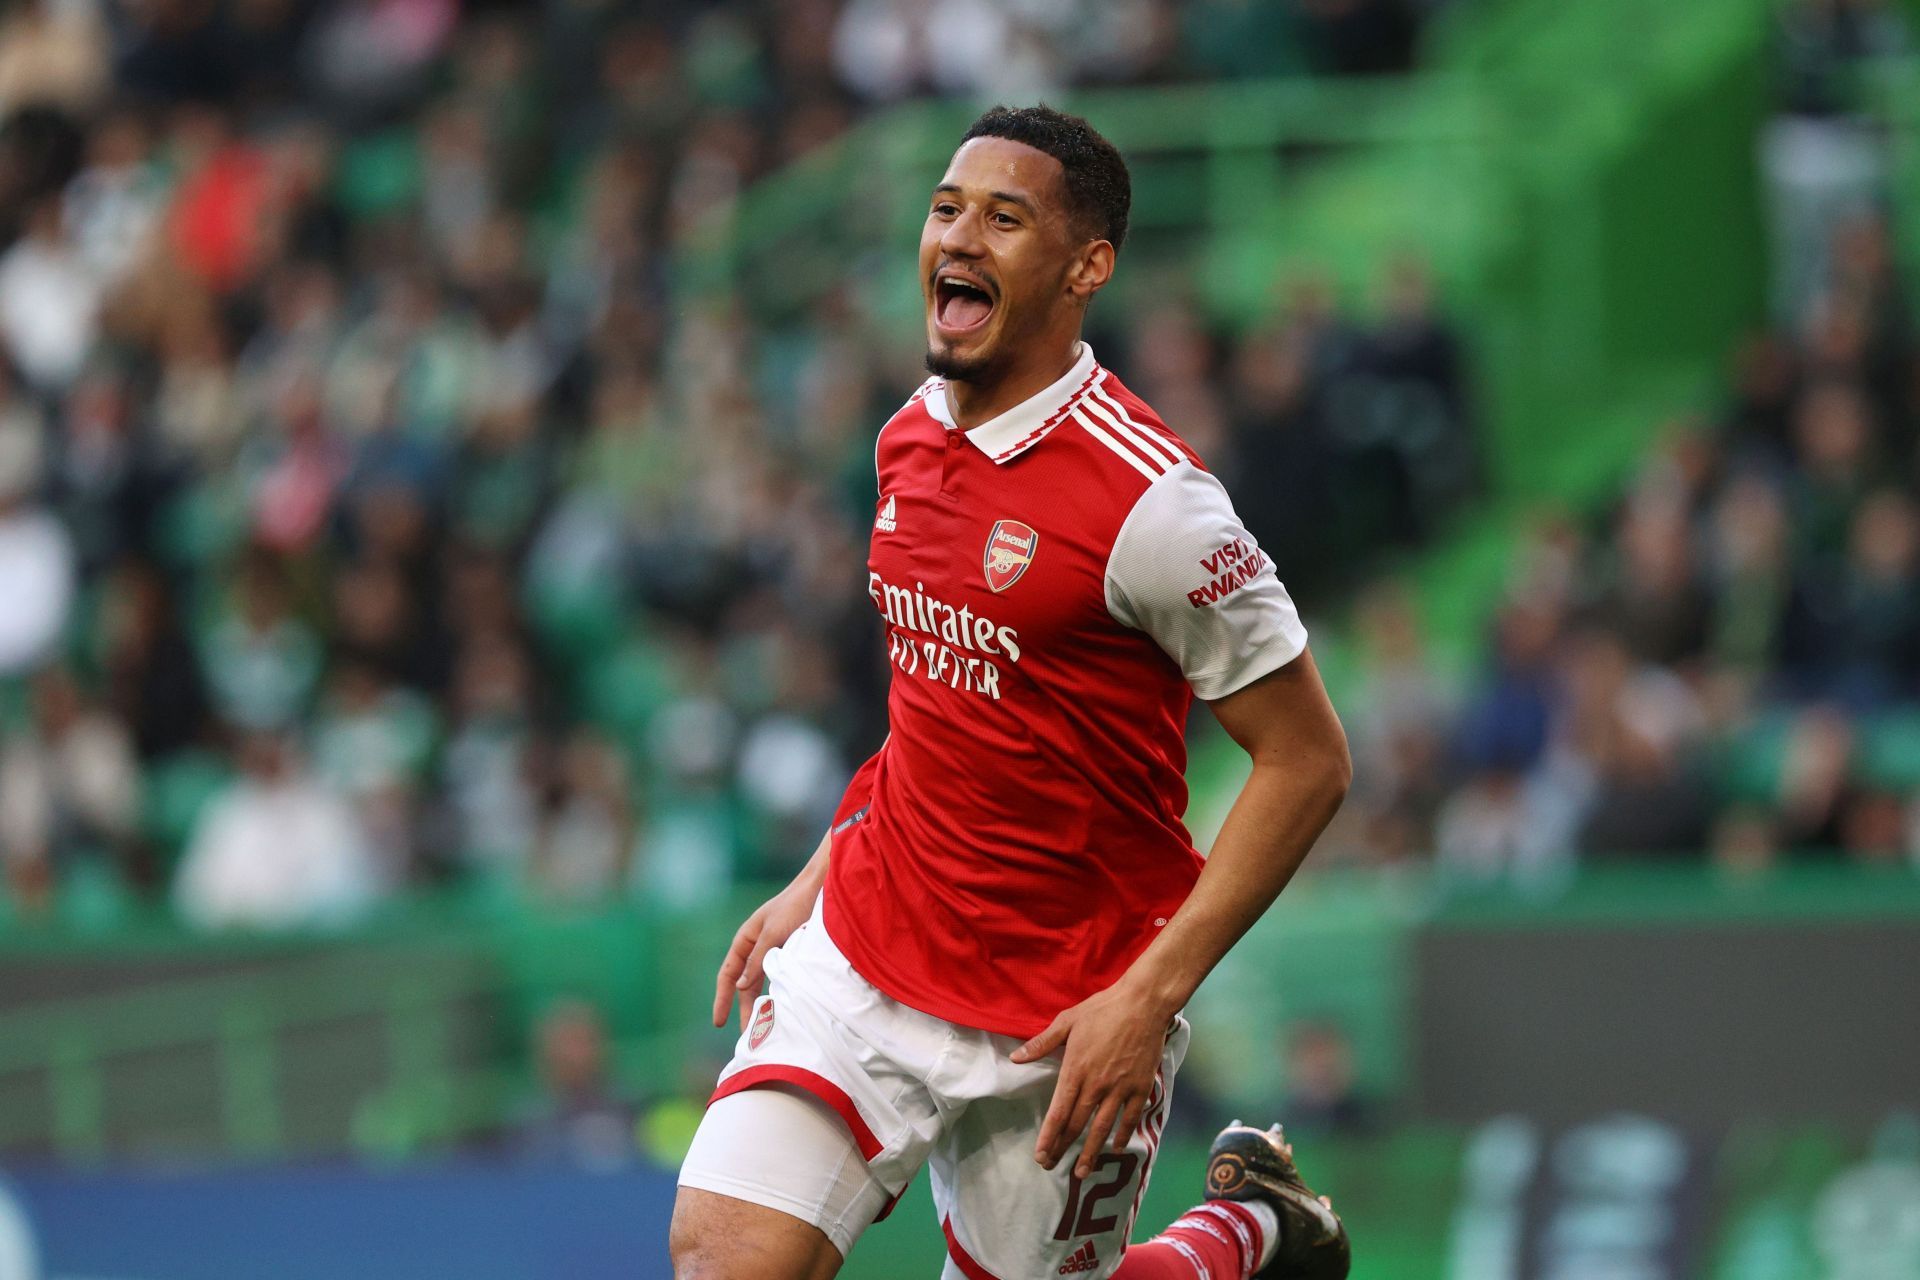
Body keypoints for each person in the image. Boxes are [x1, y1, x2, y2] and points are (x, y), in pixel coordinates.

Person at [671, 106, 1353, 1280]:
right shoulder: (906, 439)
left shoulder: (1159, 508)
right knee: (724, 1256)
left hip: (1065, 1004)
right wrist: (823, 866)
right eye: (945, 210)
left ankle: (1249, 1232)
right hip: (869, 952)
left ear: (1088, 265)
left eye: (1005, 217)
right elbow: (942, 711)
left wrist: (1149, 996)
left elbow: (1310, 760)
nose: (958, 237)